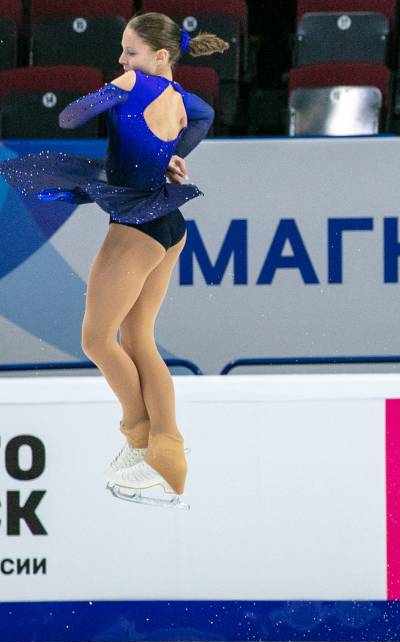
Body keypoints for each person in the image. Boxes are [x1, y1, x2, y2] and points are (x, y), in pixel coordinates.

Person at [0, 13, 228, 509]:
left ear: (160, 55)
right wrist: (172, 151)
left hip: (139, 225)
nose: (122, 60)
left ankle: (140, 434)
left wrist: (114, 87)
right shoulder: (178, 97)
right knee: (137, 337)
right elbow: (206, 114)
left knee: (97, 338)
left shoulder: (133, 84)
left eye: (131, 52)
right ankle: (168, 451)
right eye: (123, 53)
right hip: (168, 225)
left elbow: (69, 116)